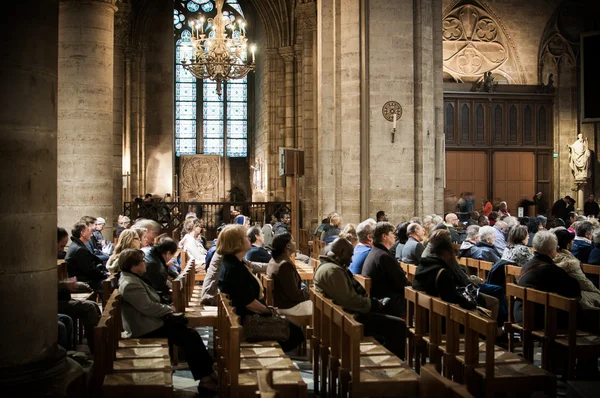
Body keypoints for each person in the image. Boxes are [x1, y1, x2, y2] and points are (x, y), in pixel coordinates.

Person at [118, 249, 216, 393]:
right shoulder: (129, 284)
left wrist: (167, 309)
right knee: (189, 336)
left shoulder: (133, 278)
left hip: (151, 321)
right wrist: (169, 310)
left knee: (189, 333)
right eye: (142, 261)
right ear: (133, 266)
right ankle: (206, 378)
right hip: (145, 327)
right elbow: (148, 307)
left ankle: (208, 374)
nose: (145, 263)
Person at [314, 238, 407, 359]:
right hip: (347, 320)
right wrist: (373, 304)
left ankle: (387, 355)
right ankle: (395, 363)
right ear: (341, 252)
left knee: (386, 316)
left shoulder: (330, 266)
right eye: (350, 255)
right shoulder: (333, 271)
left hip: (341, 315)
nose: (351, 259)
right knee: (398, 325)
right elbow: (349, 300)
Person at [217, 225, 304, 353]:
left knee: (293, 329)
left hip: (248, 315)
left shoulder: (234, 262)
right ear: (238, 243)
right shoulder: (234, 269)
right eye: (246, 237)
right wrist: (269, 311)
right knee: (296, 333)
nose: (249, 239)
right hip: (248, 321)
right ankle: (274, 358)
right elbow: (249, 303)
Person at [514, 231, 581, 326]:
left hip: (520, 312)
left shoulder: (528, 264)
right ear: (551, 250)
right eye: (556, 248)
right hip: (535, 318)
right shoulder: (551, 270)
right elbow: (575, 289)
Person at [414, 231, 478, 311]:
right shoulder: (443, 271)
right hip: (443, 314)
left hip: (426, 309)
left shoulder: (423, 265)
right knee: (490, 300)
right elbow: (452, 297)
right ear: (449, 248)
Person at [362, 222, 411, 317]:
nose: (395, 236)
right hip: (386, 302)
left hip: (378, 296)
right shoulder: (384, 256)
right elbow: (402, 284)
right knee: (422, 299)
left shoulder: (375, 252)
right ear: (384, 236)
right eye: (392, 233)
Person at [553, 228, 600, 310]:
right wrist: (597, 292)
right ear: (568, 244)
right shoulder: (569, 262)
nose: (573, 243)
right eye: (572, 241)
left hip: (561, 295)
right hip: (573, 298)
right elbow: (583, 282)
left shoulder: (553, 257)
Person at [267, 233, 311, 316]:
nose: (295, 243)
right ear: (288, 245)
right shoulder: (284, 266)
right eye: (293, 241)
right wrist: (310, 295)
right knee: (321, 308)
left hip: (281, 302)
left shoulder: (274, 260)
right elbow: (294, 295)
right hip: (288, 306)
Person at [65, 222, 107, 292]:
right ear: (82, 233)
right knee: (109, 284)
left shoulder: (77, 245)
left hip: (84, 278)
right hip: (83, 281)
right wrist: (104, 274)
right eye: (88, 230)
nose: (91, 232)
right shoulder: (79, 249)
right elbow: (90, 270)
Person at [144, 237, 179, 303]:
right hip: (150, 299)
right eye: (172, 255)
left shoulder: (152, 252)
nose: (171, 258)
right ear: (168, 253)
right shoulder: (154, 265)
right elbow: (160, 290)